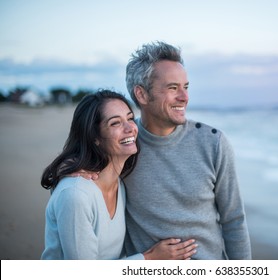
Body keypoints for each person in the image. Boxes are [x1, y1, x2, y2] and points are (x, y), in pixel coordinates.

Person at [123, 41, 252, 259]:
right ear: (142, 95)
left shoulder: (213, 143)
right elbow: (77, 173)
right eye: (173, 88)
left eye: (186, 87)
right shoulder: (123, 143)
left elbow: (234, 220)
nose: (185, 97)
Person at [40, 89, 197, 260]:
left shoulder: (120, 184)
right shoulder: (76, 195)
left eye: (130, 118)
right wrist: (149, 258)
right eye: (115, 123)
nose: (130, 128)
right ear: (94, 136)